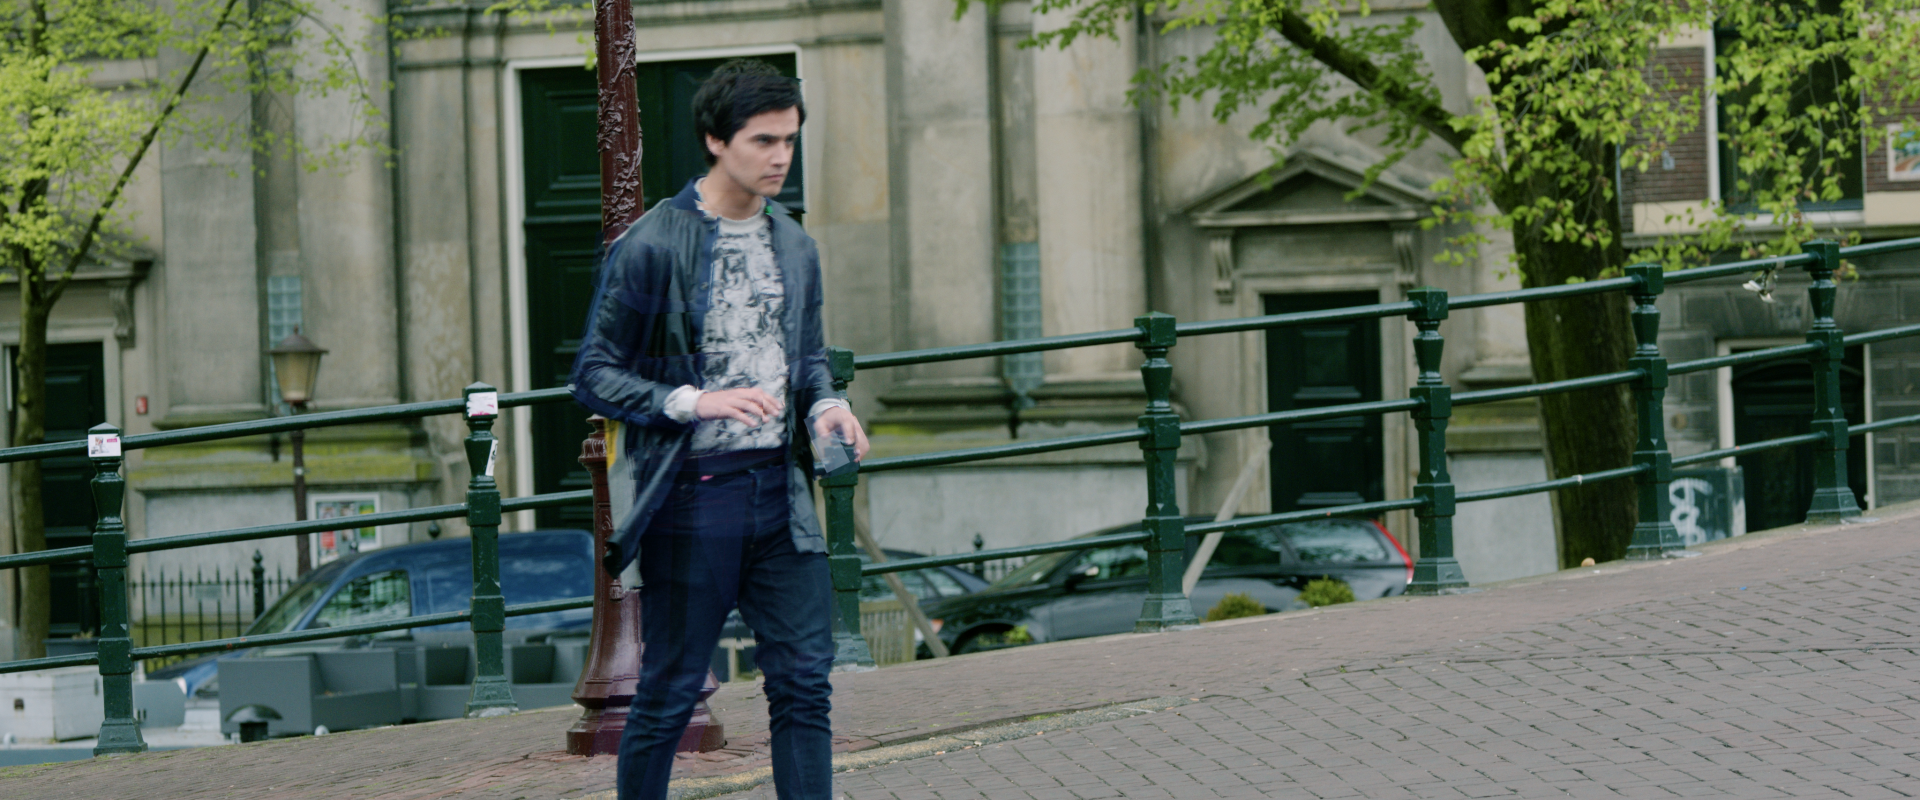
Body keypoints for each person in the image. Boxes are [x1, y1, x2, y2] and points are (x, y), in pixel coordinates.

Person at [570, 58, 870, 800]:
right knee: (670, 691)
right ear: (715, 139)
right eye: (763, 140)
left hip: (779, 494)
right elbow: (594, 374)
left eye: (789, 140)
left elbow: (807, 363)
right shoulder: (651, 244)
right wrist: (693, 401)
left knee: (805, 682)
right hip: (691, 496)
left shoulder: (794, 244)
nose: (780, 157)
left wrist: (826, 406)